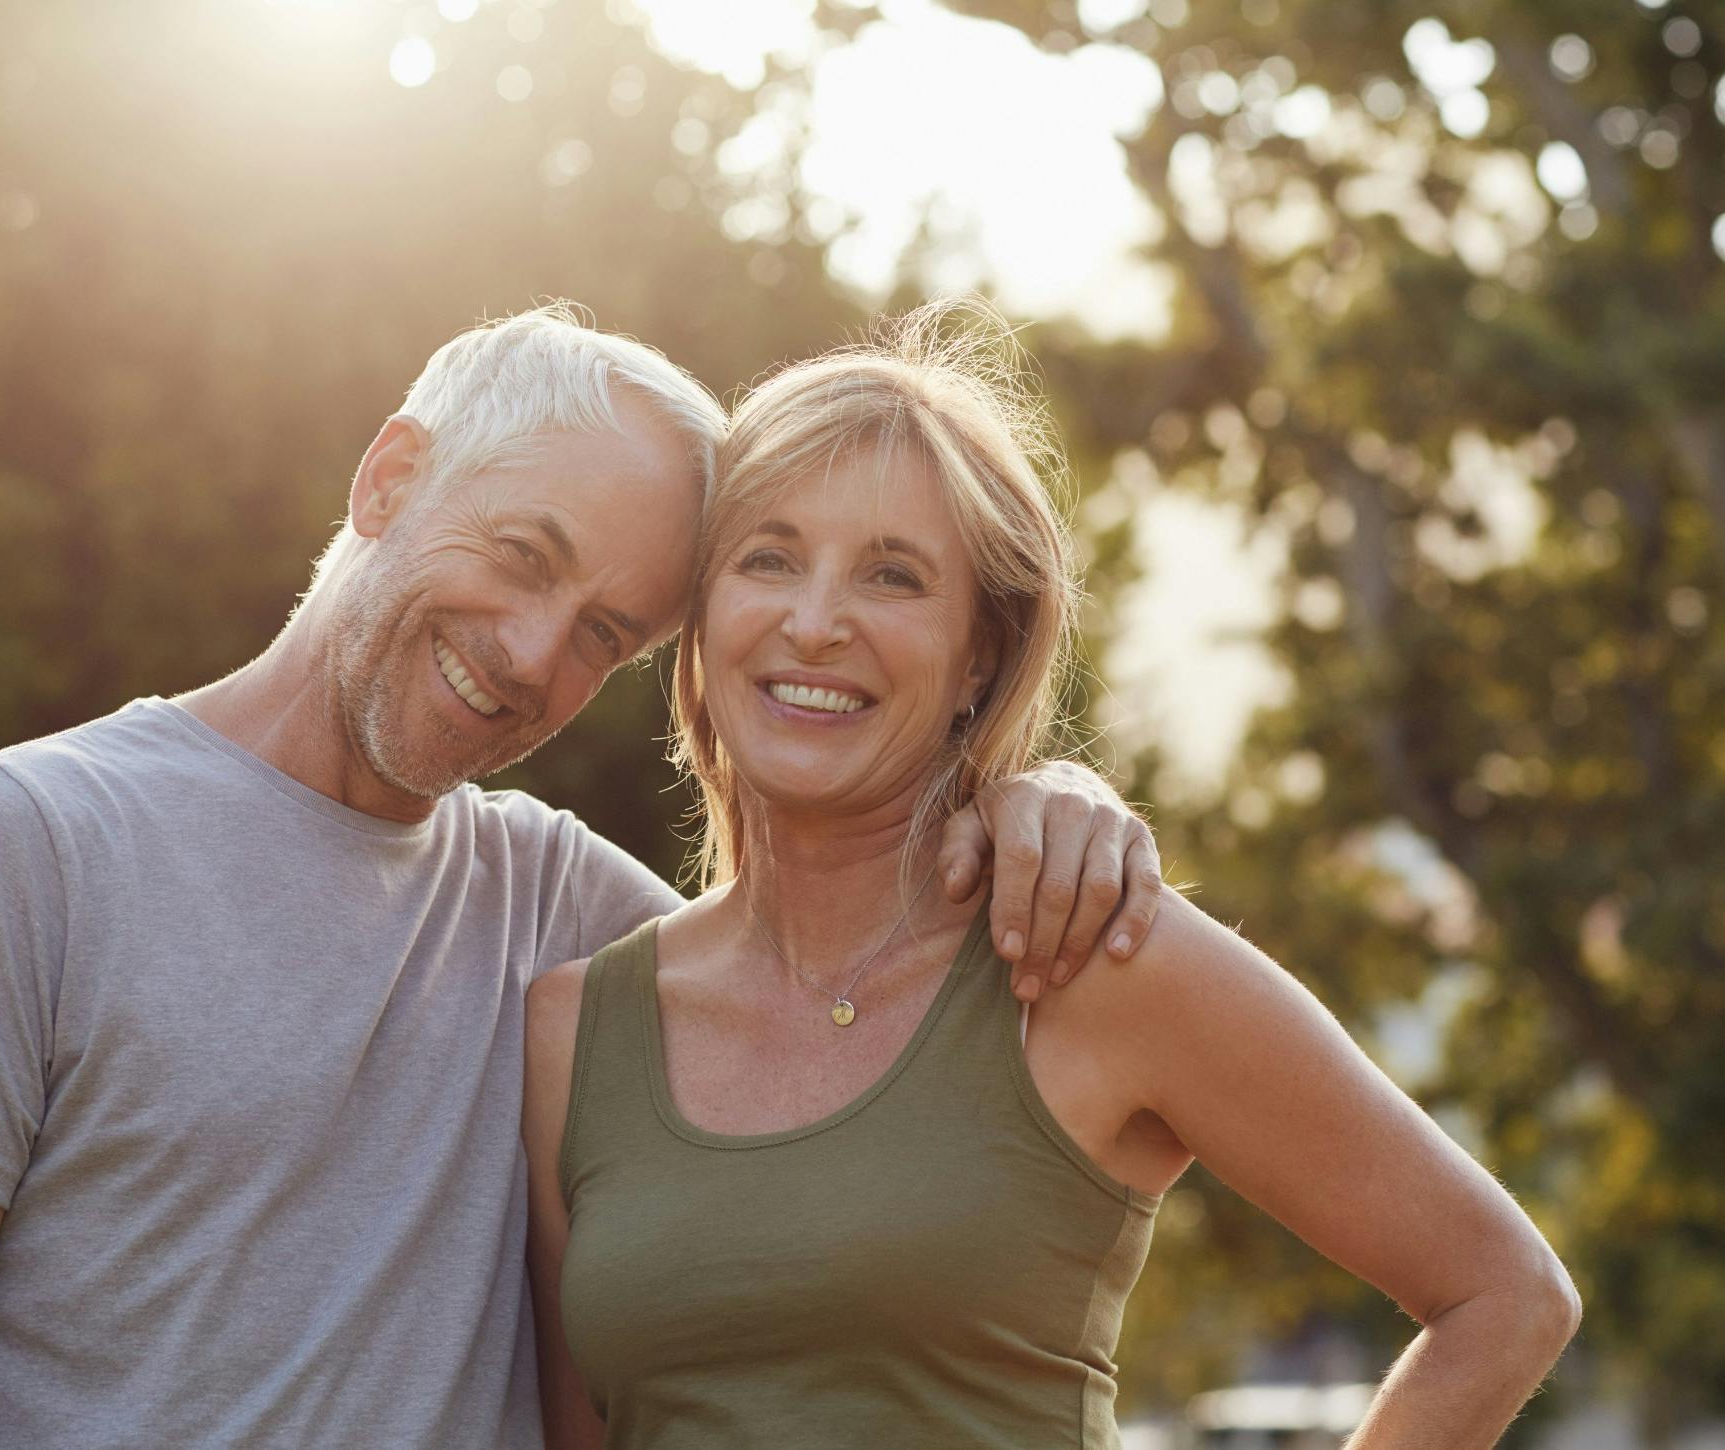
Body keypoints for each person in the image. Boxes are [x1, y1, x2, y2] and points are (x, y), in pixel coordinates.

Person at [0, 304, 1163, 1449]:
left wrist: (1042, 794)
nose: (527, 654)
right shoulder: (29, 844)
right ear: (389, 477)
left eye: (603, 633)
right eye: (521, 556)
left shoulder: (564, 910)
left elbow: (833, 981)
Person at [524, 303, 1582, 1449]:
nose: (816, 621)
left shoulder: (1089, 954)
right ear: (703, 612)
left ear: (980, 651)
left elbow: (1505, 1295)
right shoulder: (574, 1034)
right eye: (769, 558)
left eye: (893, 576)